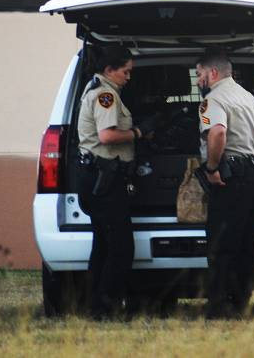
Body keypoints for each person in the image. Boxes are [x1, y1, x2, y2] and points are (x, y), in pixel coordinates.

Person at [196, 51, 254, 319]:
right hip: (253, 175)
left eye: (199, 74)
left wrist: (213, 168)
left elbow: (217, 132)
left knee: (222, 242)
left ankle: (218, 306)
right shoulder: (246, 96)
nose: (198, 80)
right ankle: (241, 301)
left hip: (231, 177)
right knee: (247, 243)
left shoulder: (212, 99)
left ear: (213, 73)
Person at [76, 46, 147, 320]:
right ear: (109, 70)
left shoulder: (95, 90)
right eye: (125, 71)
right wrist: (138, 132)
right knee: (120, 247)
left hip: (97, 179)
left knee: (103, 245)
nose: (129, 77)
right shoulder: (106, 96)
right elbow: (106, 137)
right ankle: (106, 307)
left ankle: (97, 305)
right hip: (104, 180)